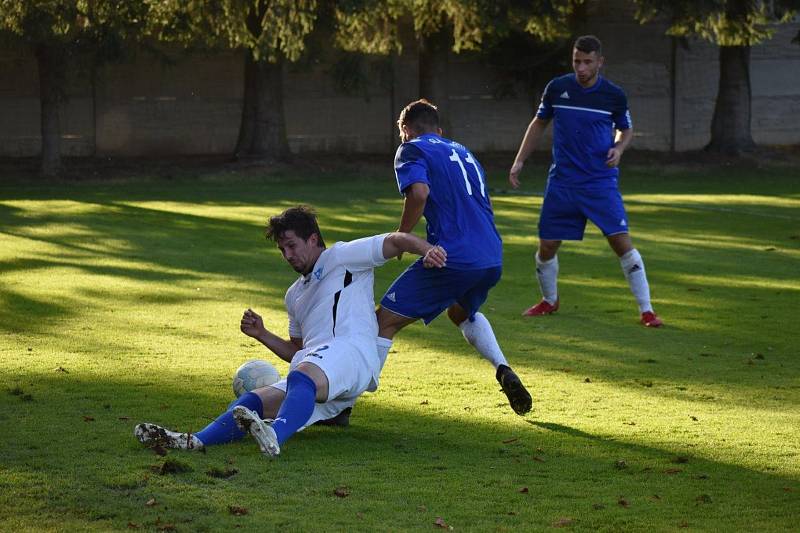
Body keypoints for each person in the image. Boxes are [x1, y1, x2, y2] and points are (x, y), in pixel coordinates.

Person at [134, 205, 447, 457]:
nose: (287, 255)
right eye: (282, 249)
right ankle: (194, 441)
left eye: (291, 246)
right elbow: (298, 351)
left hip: (353, 353)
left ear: (312, 239)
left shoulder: (343, 256)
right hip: (318, 370)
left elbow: (397, 240)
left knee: (302, 375)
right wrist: (263, 334)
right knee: (252, 402)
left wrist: (428, 250)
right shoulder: (293, 294)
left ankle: (275, 434)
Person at [374, 99, 533, 416]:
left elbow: (419, 193)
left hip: (453, 256)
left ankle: (343, 403)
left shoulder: (411, 148)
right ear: (440, 130)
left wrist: (402, 237)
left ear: (405, 130)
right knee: (460, 311)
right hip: (490, 254)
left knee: (382, 322)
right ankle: (503, 368)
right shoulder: (463, 151)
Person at [508, 35, 663, 328]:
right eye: (577, 61)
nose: (581, 67)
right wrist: (519, 160)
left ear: (599, 62)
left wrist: (618, 148)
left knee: (621, 243)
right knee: (548, 245)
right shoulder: (558, 88)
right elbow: (538, 123)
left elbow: (626, 130)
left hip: (599, 182)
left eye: (587, 62)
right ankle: (549, 301)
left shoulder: (613, 95)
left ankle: (647, 311)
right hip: (563, 182)